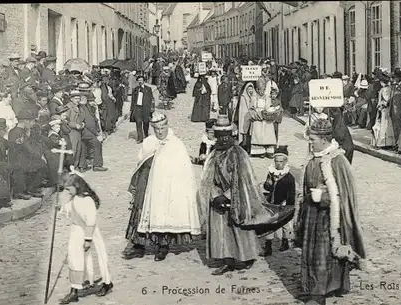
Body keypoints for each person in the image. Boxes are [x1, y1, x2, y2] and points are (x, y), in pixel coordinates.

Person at [198, 114, 295, 275]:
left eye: (226, 136)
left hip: (237, 197)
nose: (223, 140)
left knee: (239, 229)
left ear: (231, 135)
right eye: (220, 137)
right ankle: (226, 259)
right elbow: (209, 177)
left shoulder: (238, 154)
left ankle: (246, 257)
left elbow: (243, 180)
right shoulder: (214, 154)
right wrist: (215, 195)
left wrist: (227, 196)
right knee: (221, 230)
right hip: (217, 197)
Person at [296, 118, 366, 305]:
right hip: (311, 213)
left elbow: (346, 193)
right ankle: (323, 286)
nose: (310, 142)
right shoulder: (313, 158)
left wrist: (326, 197)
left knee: (323, 254)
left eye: (313, 139)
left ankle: (318, 296)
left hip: (329, 217)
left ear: (325, 139)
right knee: (311, 251)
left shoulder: (337, 160)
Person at [123, 112, 201, 261]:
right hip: (146, 183)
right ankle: (139, 245)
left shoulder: (175, 144)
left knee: (163, 213)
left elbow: (183, 170)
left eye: (162, 128)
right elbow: (141, 162)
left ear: (167, 125)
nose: (160, 131)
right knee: (140, 212)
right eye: (156, 128)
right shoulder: (149, 142)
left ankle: (162, 247)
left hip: (166, 186)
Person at [58, 170, 113, 305]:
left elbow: (91, 222)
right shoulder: (75, 198)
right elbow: (70, 209)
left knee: (96, 258)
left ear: (77, 186)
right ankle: (74, 290)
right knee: (74, 259)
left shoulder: (88, 200)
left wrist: (88, 239)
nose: (67, 192)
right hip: (76, 232)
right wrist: (60, 208)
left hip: (89, 233)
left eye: (69, 189)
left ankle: (107, 283)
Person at [260, 145, 296, 256]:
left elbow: (291, 193)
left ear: (285, 161)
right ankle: (268, 246)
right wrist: (267, 184)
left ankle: (285, 241)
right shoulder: (271, 173)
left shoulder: (289, 177)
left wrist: (289, 205)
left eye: (281, 161)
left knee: (284, 224)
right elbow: (267, 187)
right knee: (269, 223)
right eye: (276, 161)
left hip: (283, 203)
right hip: (271, 203)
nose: (278, 164)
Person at [130, 75, 155, 144]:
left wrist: (152, 108)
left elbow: (152, 99)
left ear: (143, 81)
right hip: (137, 108)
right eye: (139, 80)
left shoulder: (148, 89)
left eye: (141, 80)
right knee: (138, 122)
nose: (140, 81)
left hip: (146, 108)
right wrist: (132, 109)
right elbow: (133, 100)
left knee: (146, 122)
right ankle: (140, 138)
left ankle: (146, 134)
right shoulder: (135, 89)